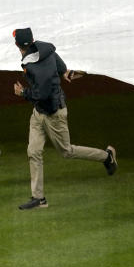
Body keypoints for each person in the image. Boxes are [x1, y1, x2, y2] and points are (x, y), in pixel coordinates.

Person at [11, 27, 117, 209]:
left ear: (17, 45)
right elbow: (63, 70)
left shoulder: (33, 66)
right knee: (33, 152)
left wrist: (23, 93)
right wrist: (69, 74)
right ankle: (38, 198)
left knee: (66, 151)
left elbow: (41, 94)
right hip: (38, 113)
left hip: (54, 115)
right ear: (33, 40)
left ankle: (106, 156)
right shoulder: (48, 51)